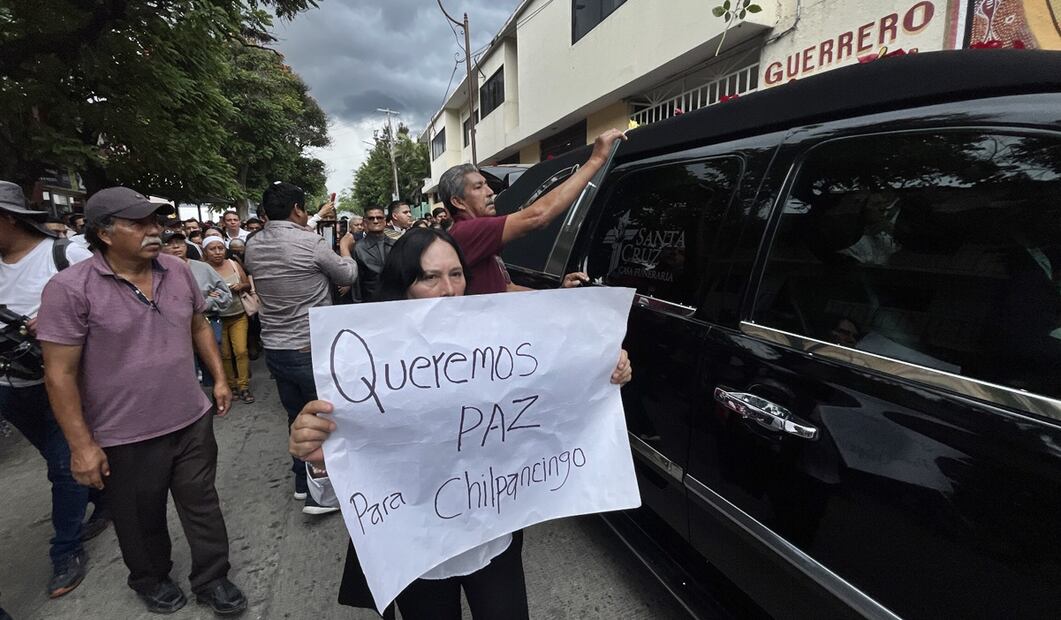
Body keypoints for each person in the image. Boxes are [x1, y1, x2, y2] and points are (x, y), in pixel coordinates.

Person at [289, 228, 632, 619]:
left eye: (456, 274)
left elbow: (556, 386)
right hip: (418, 555)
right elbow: (345, 485)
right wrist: (320, 460)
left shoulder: (497, 343)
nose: (449, 290)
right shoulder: (367, 368)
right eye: (429, 277)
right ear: (403, 285)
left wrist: (604, 368)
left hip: (493, 536)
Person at [37, 187, 246, 615]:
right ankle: (151, 578)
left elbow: (198, 325)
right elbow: (59, 374)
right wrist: (81, 446)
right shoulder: (69, 289)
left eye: (156, 222)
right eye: (139, 223)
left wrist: (220, 379)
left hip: (191, 419)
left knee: (202, 504)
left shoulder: (177, 270)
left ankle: (213, 577)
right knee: (139, 515)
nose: (155, 231)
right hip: (124, 434)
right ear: (104, 233)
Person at [0, 180, 102, 598]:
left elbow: (110, 300)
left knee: (64, 465)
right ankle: (105, 500)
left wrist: (56, 317)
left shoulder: (65, 254)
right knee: (58, 459)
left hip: (64, 381)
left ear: (9, 219)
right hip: (12, 386)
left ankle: (66, 549)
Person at [242, 181, 356, 515]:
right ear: (297, 209)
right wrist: (345, 247)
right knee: (324, 419)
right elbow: (347, 275)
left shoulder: (253, 245)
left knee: (296, 417)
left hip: (276, 349)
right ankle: (322, 494)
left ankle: (301, 482)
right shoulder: (311, 243)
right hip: (310, 347)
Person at [441, 129, 626, 295]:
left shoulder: (476, 238)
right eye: (478, 187)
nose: (490, 192)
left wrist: (558, 294)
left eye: (487, 185)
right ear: (458, 202)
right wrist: (596, 160)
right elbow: (538, 216)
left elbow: (508, 288)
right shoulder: (466, 232)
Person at [160, 230, 231, 383]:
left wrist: (206, 303)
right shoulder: (155, 272)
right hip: (175, 327)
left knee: (211, 361)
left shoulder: (202, 268)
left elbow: (224, 293)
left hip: (206, 319)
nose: (176, 247)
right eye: (169, 244)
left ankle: (216, 388)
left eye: (180, 243)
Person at [203, 236, 254, 404]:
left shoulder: (233, 264)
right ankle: (231, 385)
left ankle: (243, 386)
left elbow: (248, 284)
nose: (217, 252)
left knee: (241, 351)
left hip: (238, 315)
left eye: (220, 248)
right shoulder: (202, 269)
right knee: (224, 354)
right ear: (205, 251)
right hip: (216, 318)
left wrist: (241, 286)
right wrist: (208, 294)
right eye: (212, 249)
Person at [352, 205, 394, 302]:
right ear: (365, 222)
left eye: (379, 218)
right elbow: (357, 283)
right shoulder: (359, 248)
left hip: (396, 300)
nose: (375, 221)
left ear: (385, 221)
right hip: (371, 301)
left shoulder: (396, 244)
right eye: (371, 218)